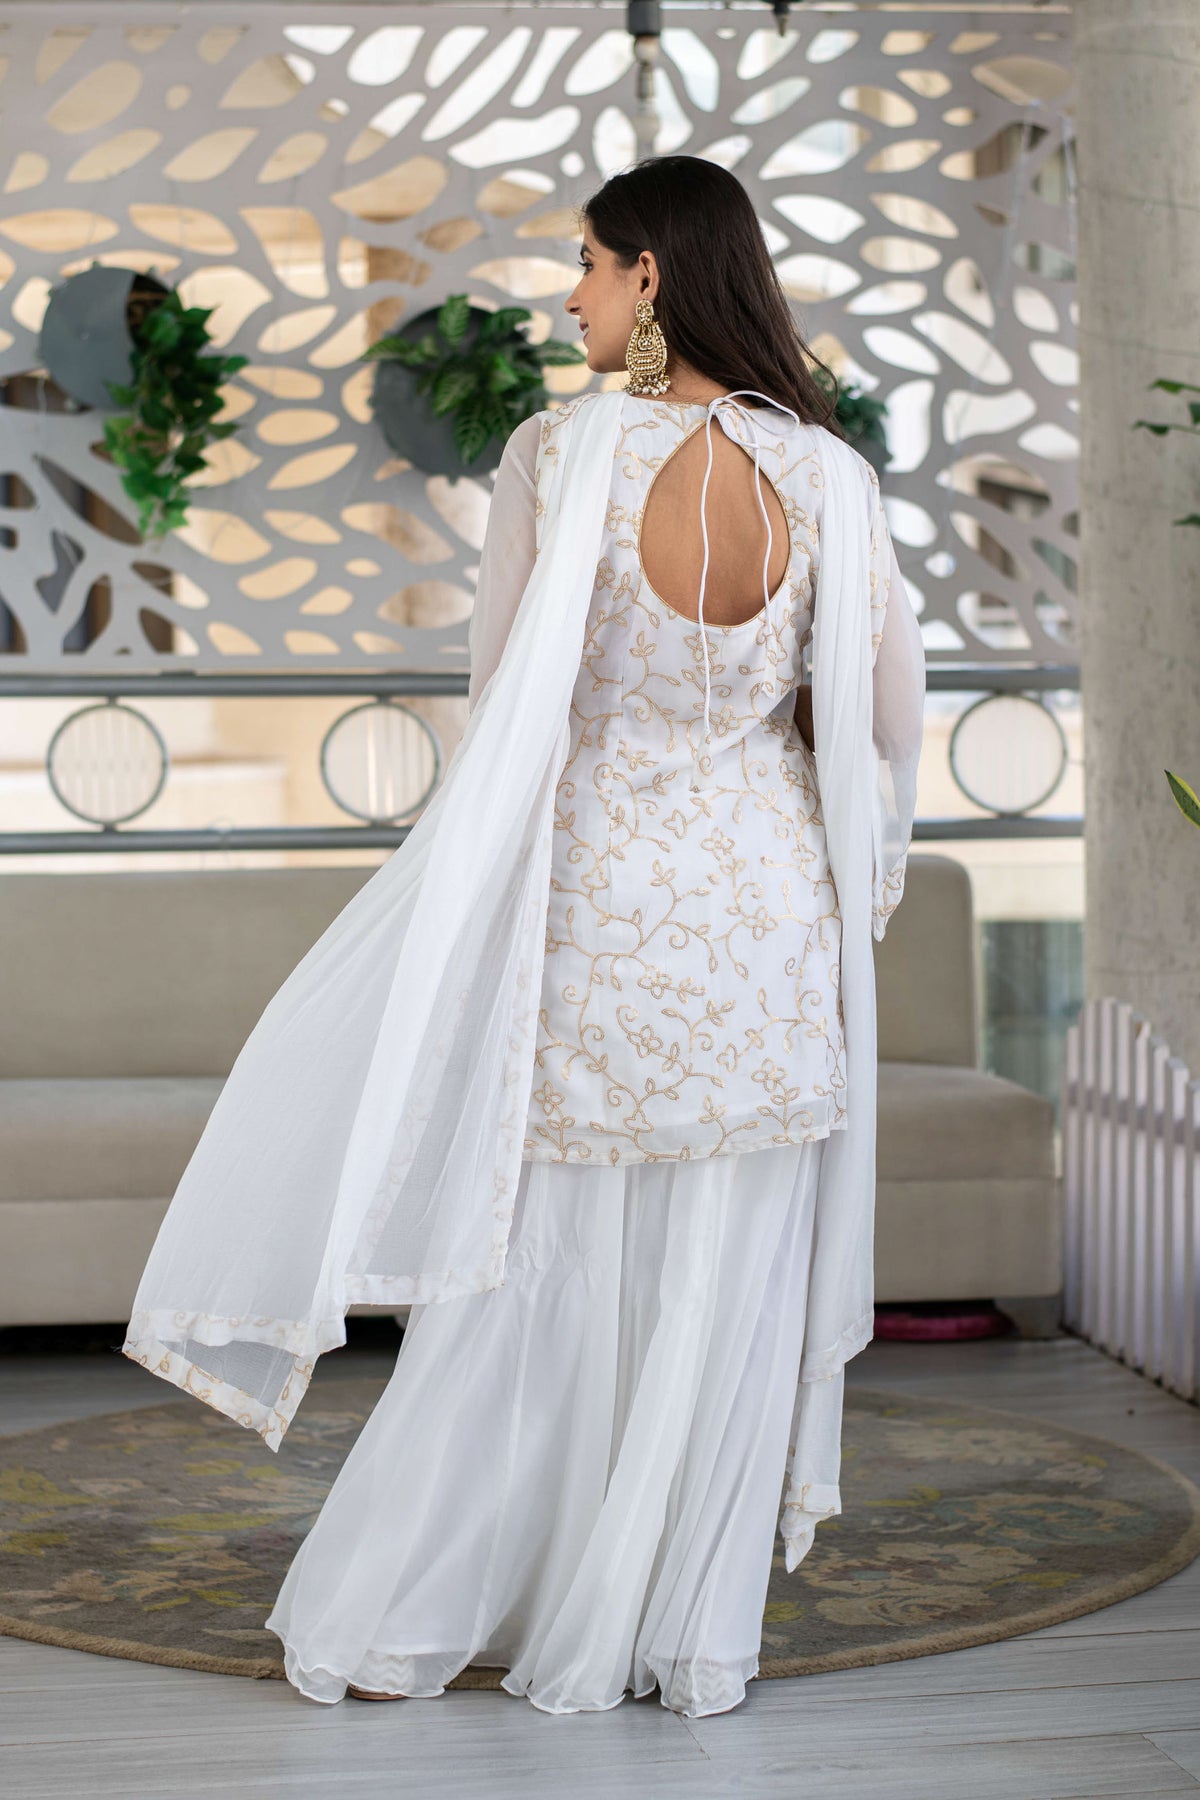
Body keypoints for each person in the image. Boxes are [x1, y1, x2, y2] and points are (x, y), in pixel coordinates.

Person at [122, 155, 925, 1719]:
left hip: (603, 901)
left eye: (589, 265)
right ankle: (683, 1636)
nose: (570, 296)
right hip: (769, 916)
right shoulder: (830, 475)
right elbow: (885, 726)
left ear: (650, 278)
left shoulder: (562, 455)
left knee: (536, 1264)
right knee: (725, 1274)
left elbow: (505, 712)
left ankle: (435, 1602)